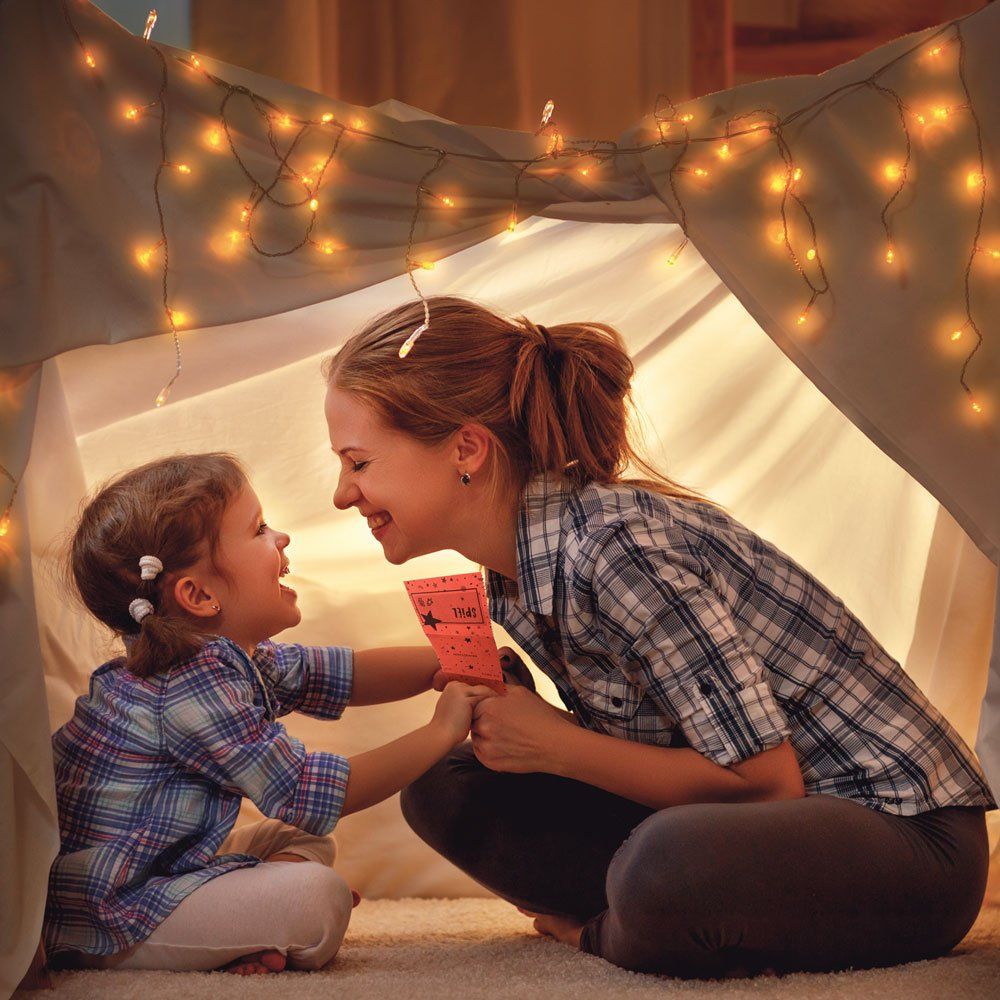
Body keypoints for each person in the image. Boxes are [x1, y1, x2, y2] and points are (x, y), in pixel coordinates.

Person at [322, 293, 995, 978]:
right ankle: (655, 913)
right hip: (747, 830)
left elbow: (766, 785)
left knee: (667, 864)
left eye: (359, 463)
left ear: (466, 449)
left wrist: (556, 744)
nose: (343, 495)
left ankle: (614, 930)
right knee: (446, 785)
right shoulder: (514, 576)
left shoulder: (618, 550)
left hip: (904, 843)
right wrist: (528, 729)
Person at [45, 452, 496, 975]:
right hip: (114, 908)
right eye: (258, 529)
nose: (281, 537)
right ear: (199, 595)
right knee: (318, 899)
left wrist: (448, 664)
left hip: (163, 862)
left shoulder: (225, 659)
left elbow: (345, 675)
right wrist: (441, 731)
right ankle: (256, 919)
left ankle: (251, 924)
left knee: (299, 839)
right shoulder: (187, 687)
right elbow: (310, 792)